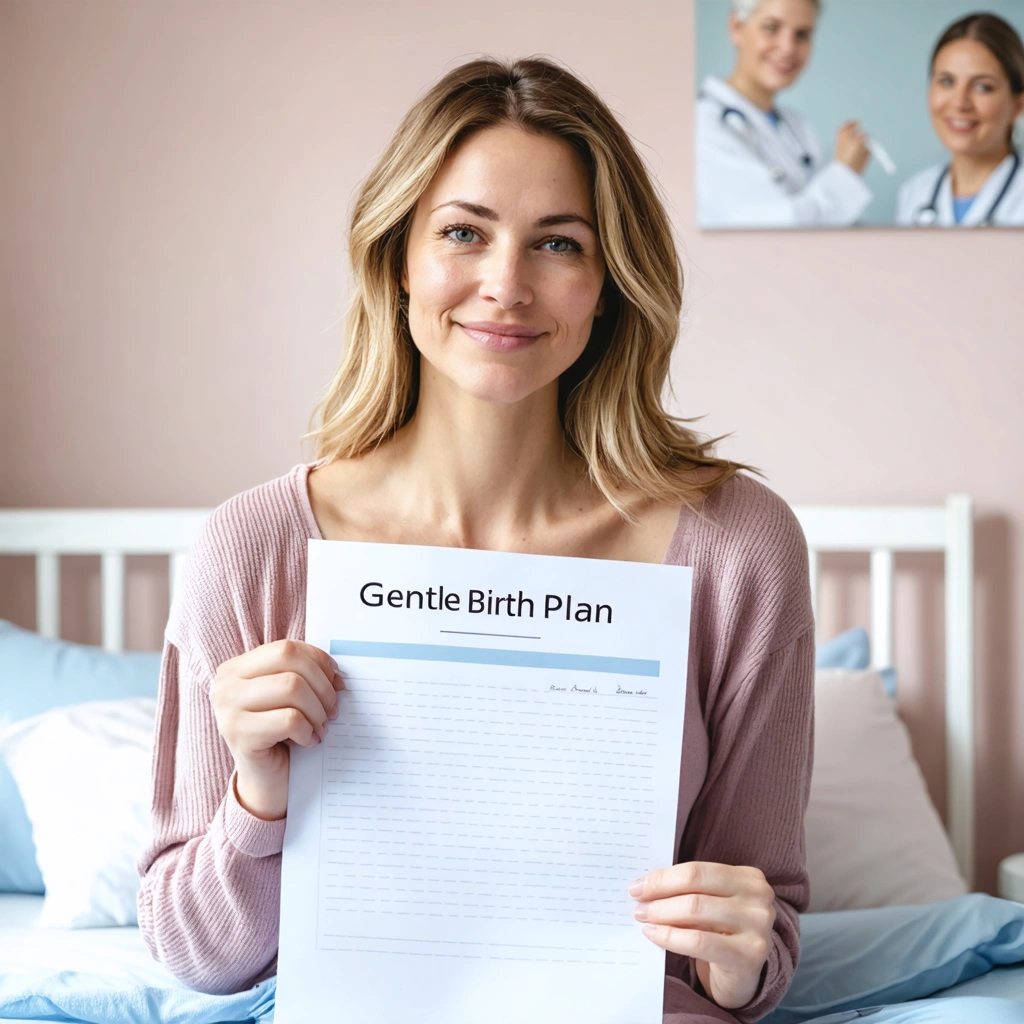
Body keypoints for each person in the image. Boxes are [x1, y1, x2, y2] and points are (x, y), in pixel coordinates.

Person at [137, 57, 818, 1023]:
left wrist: (745, 954)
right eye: (463, 232)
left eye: (559, 243)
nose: (506, 285)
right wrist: (257, 797)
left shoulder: (739, 546)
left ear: (608, 281)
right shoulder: (251, 549)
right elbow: (196, 958)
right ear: (398, 257)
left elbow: (761, 934)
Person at [697, 0, 873, 228]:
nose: (788, 47)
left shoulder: (797, 125)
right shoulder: (704, 125)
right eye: (771, 28)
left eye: (801, 35)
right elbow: (777, 229)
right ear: (736, 27)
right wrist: (845, 174)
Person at [896, 12, 1024, 227]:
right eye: (946, 81)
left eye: (983, 87)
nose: (960, 103)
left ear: (1018, 105)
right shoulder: (914, 195)